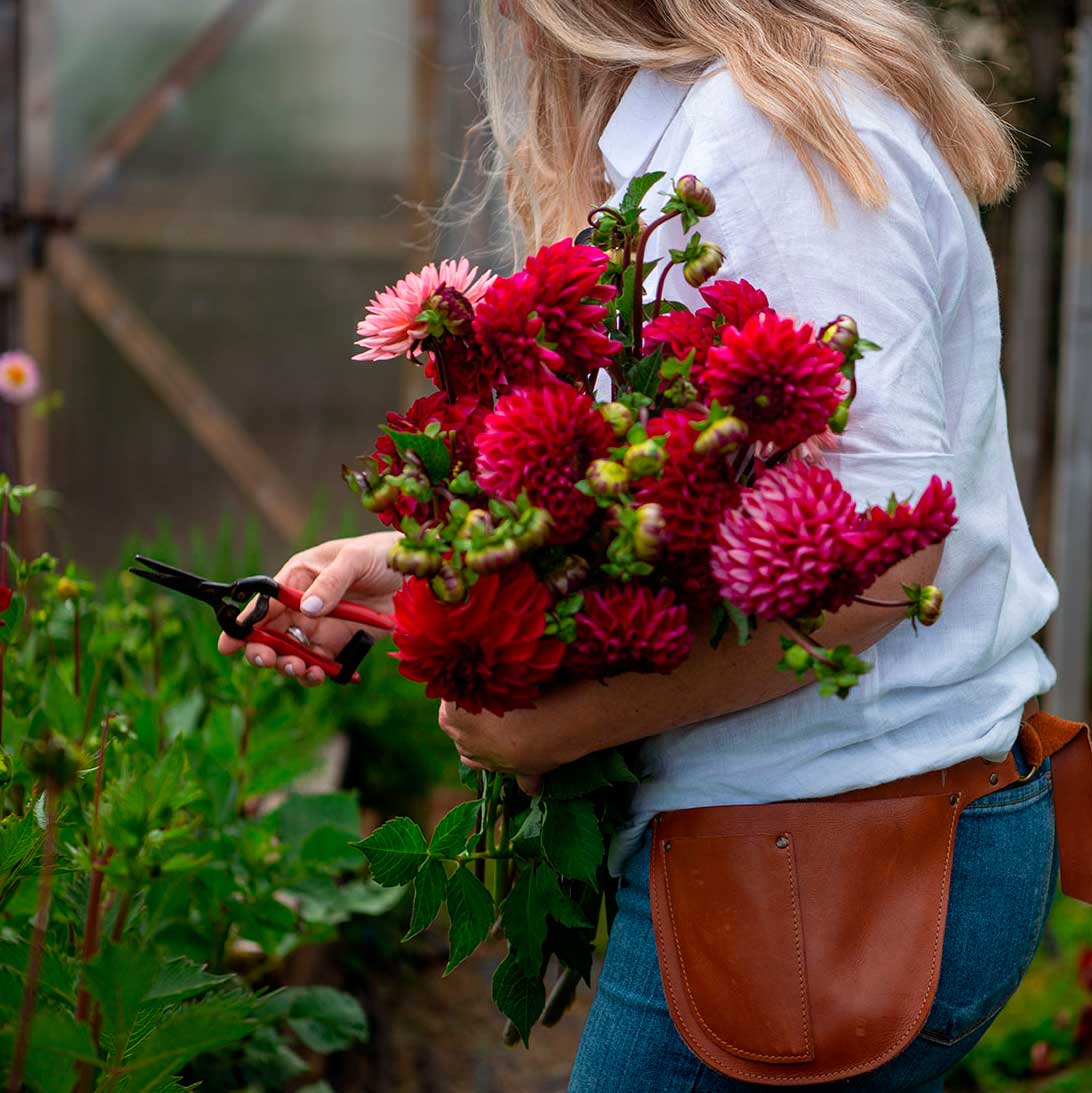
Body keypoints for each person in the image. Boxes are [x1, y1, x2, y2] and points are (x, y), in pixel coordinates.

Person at [219, 2, 1060, 1089]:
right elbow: (681, 506)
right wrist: (418, 561)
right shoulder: (711, 128)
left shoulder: (766, 135)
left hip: (826, 860)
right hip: (815, 846)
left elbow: (884, 557)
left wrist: (566, 728)